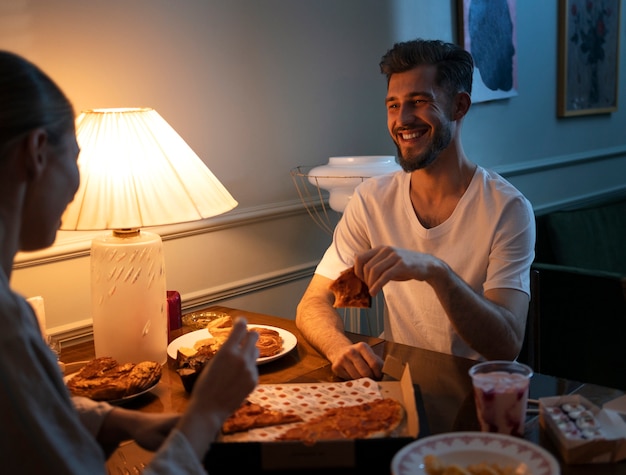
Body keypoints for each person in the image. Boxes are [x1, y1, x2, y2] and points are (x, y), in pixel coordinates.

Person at [0, 50, 259, 474]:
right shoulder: (7, 325)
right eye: (76, 156)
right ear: (37, 152)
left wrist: (116, 419)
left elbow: (30, 412)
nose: (76, 181)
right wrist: (208, 411)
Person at [296, 39, 535, 381]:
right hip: (399, 386)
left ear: (459, 106)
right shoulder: (372, 200)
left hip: (480, 395)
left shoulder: (507, 209)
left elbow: (506, 345)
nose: (402, 120)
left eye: (419, 102)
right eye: (393, 105)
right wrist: (338, 348)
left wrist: (437, 272)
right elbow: (313, 303)